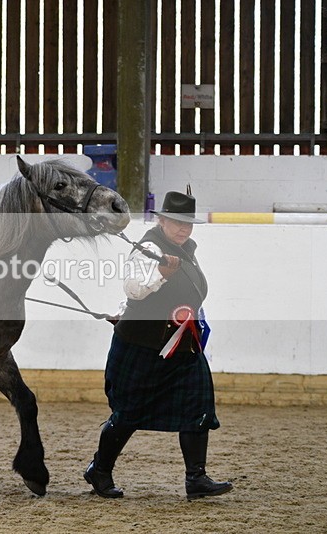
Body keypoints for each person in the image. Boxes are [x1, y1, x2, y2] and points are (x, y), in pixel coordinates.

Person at [83, 189, 233, 501]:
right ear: (161, 220)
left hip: (183, 345)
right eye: (177, 222)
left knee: (198, 406)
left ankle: (197, 478)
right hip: (142, 347)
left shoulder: (188, 249)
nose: (183, 228)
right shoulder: (147, 247)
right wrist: (164, 271)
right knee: (127, 413)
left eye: (188, 223)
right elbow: (135, 288)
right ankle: (100, 469)